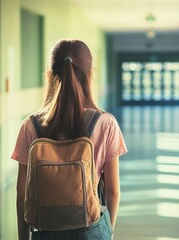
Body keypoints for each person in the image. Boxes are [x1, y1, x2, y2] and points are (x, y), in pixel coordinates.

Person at [11, 39, 127, 240]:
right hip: (90, 230)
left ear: (50, 76)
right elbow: (113, 192)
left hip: (45, 230)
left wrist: (23, 237)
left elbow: (22, 192)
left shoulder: (30, 126)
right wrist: (108, 232)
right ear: (90, 76)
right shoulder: (106, 124)